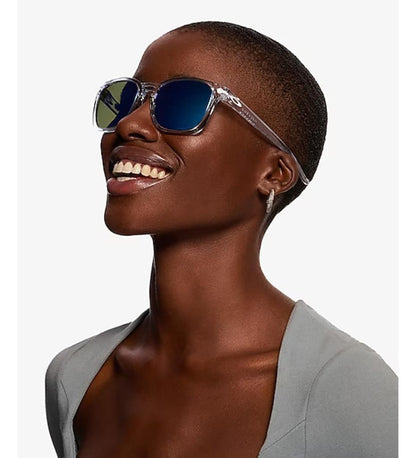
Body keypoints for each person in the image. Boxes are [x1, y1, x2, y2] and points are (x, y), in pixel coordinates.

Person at [45, 21, 398, 458]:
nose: (130, 123)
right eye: (126, 99)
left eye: (183, 103)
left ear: (274, 173)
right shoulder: (77, 378)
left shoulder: (348, 389)